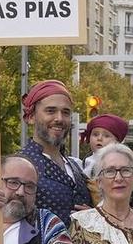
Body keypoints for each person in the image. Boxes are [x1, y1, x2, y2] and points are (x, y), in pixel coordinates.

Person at [18, 79, 92, 220]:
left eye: (65, 112)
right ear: (31, 117)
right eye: (50, 111)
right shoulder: (19, 164)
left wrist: (94, 216)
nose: (59, 118)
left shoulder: (75, 166)